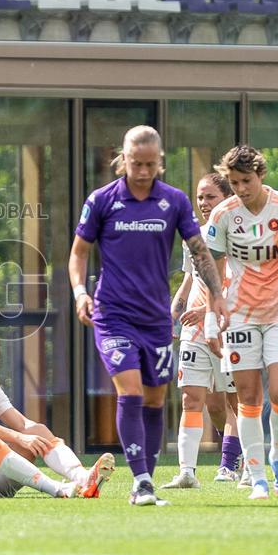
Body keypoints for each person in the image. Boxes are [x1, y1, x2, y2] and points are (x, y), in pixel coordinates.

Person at [69, 125, 228, 507]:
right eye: (135, 163)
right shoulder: (103, 200)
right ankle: (139, 479)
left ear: (160, 163)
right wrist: (79, 293)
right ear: (123, 160)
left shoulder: (173, 202)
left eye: (149, 164)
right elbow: (78, 252)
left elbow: (200, 251)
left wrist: (218, 295)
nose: (142, 171)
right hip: (113, 314)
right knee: (131, 391)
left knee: (156, 399)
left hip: (155, 317)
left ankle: (147, 479)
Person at [206, 145, 278, 500]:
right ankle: (257, 477)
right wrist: (211, 315)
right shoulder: (222, 215)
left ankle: (277, 455)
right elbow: (213, 270)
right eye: (234, 182)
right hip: (239, 316)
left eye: (246, 180)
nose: (240, 188)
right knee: (248, 397)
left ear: (261, 176)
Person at [0, 328, 116, 499]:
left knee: (37, 431)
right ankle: (57, 489)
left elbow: (23, 425)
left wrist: (38, 438)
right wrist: (19, 438)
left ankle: (83, 478)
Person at [161, 173, 242, 489]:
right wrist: (175, 308)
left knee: (235, 402)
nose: (204, 203)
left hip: (229, 325)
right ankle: (187, 472)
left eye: (211, 197)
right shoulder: (191, 234)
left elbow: (235, 282)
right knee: (195, 400)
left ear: (226, 197)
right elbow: (191, 278)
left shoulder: (240, 233)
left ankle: (231, 465)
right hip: (193, 329)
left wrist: (209, 310)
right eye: (200, 197)